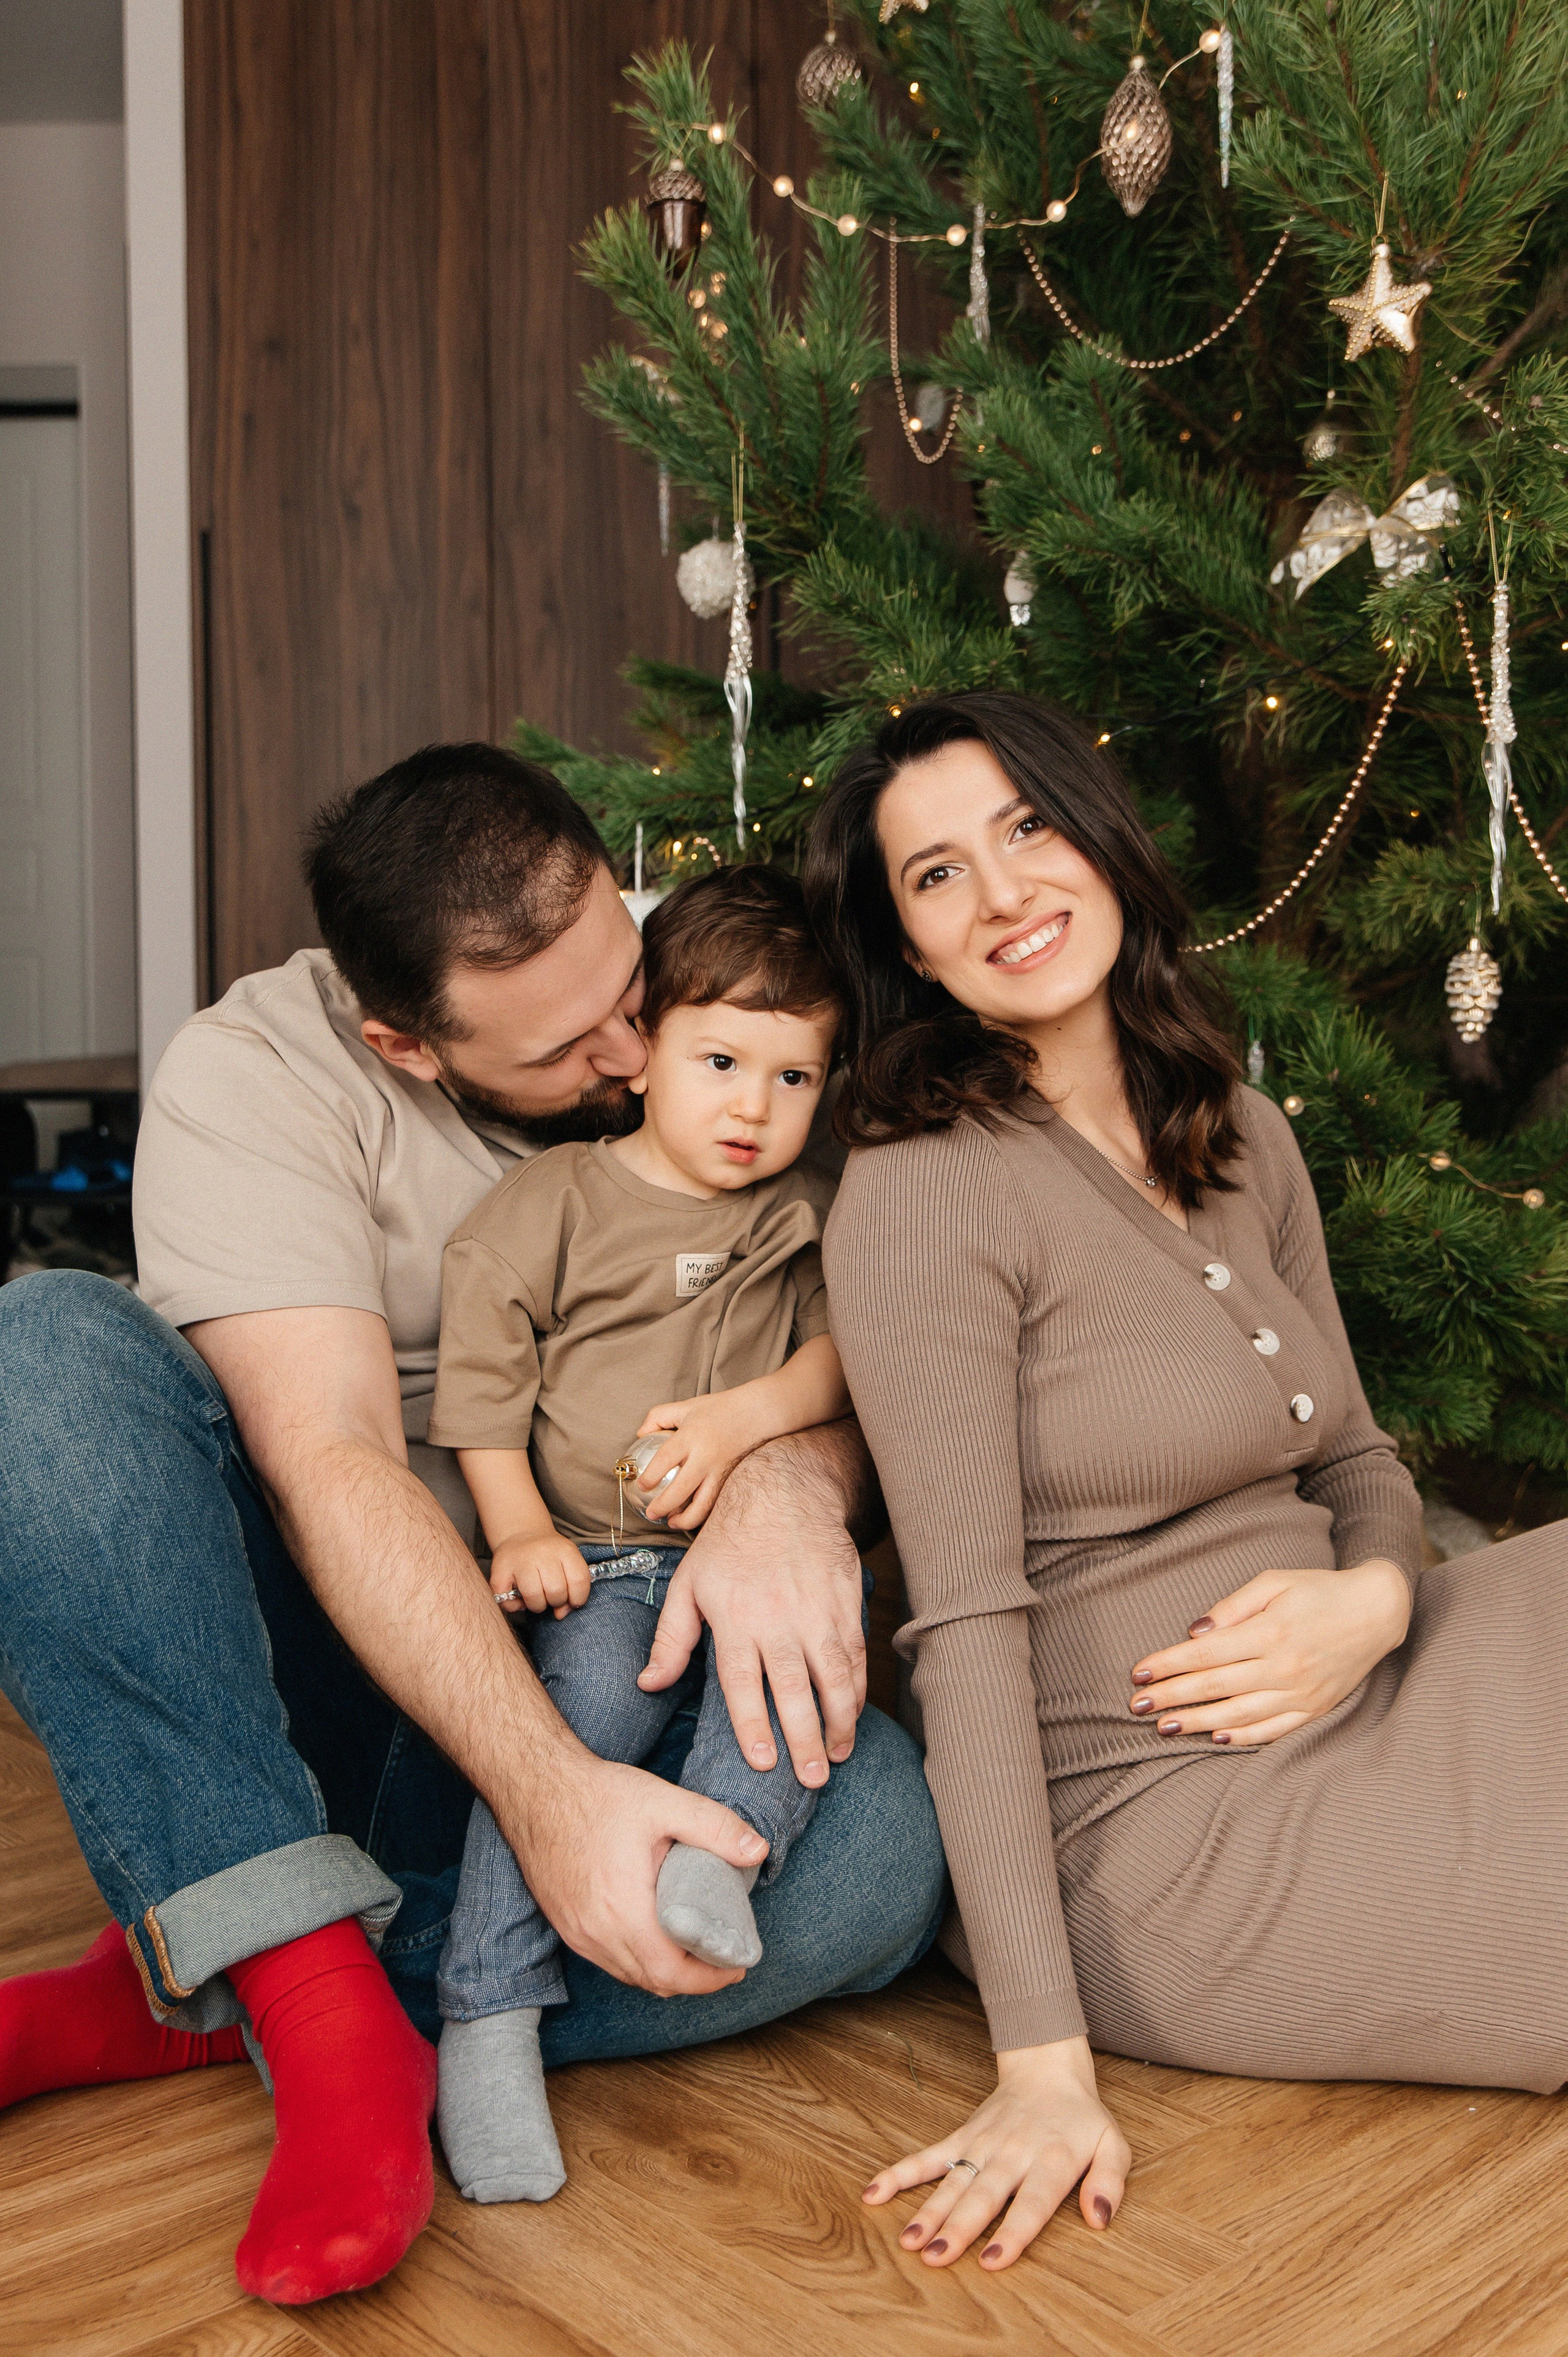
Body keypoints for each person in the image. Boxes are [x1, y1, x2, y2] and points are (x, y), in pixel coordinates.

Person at [0, 744, 944, 2309]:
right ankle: (314, 1997)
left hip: (635, 1636)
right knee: (38, 1357)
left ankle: (225, 1963)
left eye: (631, 983)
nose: (641, 1047)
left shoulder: (741, 1009)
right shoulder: (265, 1075)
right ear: (408, 1046)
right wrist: (552, 1794)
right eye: (576, 1045)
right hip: (337, 1682)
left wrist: (791, 1475)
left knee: (883, 1856)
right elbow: (339, 1460)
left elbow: (882, 1343)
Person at [802, 691, 1568, 2276]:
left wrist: (1370, 1600)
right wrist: (1040, 2066)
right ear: (909, 950)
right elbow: (961, 1628)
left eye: (1026, 828)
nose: (1005, 890)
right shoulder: (924, 1195)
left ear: (1099, 834)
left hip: (1380, 1673)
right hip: (1166, 1819)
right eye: (938, 875)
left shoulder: (1239, 1133)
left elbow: (1358, 1458)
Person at [429, 864, 858, 2204]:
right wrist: (513, 1535)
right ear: (644, 1049)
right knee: (592, 1709)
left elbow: (847, 1361)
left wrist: (742, 1423)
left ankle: (704, 1875)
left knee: (790, 1711)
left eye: (793, 1078)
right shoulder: (555, 1201)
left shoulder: (801, 1215)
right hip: (595, 1561)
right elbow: (483, 1391)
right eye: (722, 1059)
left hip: (739, 1562)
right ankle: (486, 2011)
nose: (752, 1106)